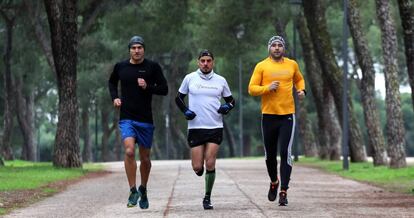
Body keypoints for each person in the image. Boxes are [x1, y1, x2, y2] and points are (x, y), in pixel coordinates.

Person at [108, 35, 168, 209]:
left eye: (139, 48)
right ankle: (133, 189)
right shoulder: (121, 67)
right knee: (128, 151)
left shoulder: (152, 67)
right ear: (129, 50)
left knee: (145, 158)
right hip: (127, 117)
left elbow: (164, 89)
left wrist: (147, 86)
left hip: (145, 119)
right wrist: (115, 98)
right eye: (133, 48)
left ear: (143, 49)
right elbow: (112, 83)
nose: (136, 51)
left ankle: (144, 188)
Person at [248, 35, 305, 206]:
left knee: (286, 152)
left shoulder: (292, 64)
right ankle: (274, 182)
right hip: (268, 116)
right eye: (274, 45)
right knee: (270, 155)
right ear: (269, 48)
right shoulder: (261, 66)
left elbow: (299, 79)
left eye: (280, 45)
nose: (277, 48)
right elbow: (251, 89)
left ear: (284, 48)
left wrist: (302, 90)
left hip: (287, 115)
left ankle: (284, 191)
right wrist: (267, 88)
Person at [175, 50, 235, 210]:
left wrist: (226, 107)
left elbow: (231, 101)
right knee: (197, 167)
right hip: (195, 127)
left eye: (209, 61)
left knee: (210, 162)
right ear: (198, 62)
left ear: (213, 62)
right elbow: (178, 98)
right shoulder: (190, 78)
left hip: (215, 127)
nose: (206, 64)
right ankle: (200, 170)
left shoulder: (221, 81)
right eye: (203, 61)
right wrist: (185, 111)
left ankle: (207, 197)